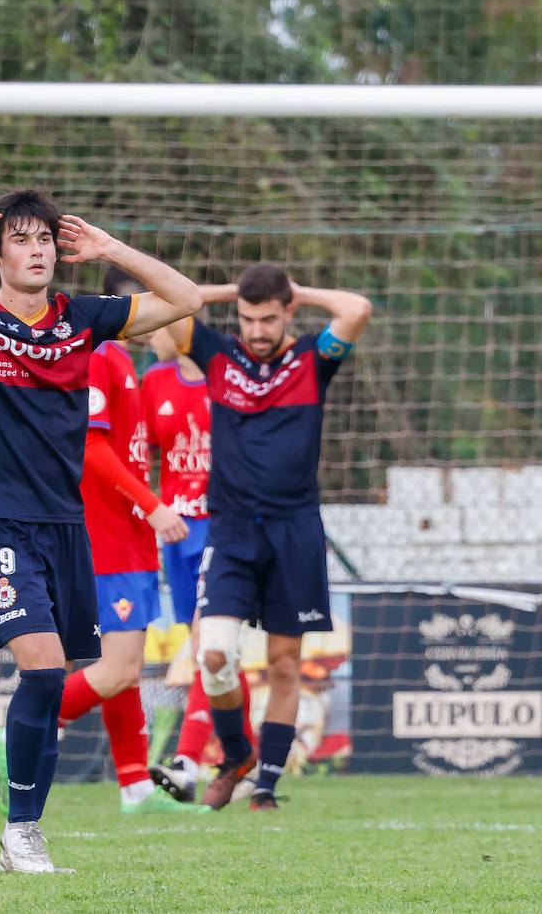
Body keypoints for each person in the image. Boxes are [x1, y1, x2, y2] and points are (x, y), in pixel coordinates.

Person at [0, 190, 200, 873]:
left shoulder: (80, 319)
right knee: (44, 666)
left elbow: (185, 299)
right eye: (21, 241)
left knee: (55, 681)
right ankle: (22, 833)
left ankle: (20, 832)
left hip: (64, 525)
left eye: (46, 241)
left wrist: (112, 249)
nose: (37, 252)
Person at [164, 264, 371, 810]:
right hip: (229, 531)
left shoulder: (312, 359)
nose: (257, 330)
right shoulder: (216, 354)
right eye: (248, 318)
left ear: (288, 314)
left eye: (269, 318)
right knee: (212, 654)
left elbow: (356, 309)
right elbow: (161, 299)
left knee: (284, 665)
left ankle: (266, 788)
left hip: (295, 533)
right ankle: (237, 754)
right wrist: (235, 290)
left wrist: (299, 292)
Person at [51, 265, 204, 815]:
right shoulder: (97, 356)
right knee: (118, 668)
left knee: (125, 672)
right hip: (110, 536)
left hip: (129, 538)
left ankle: (135, 785)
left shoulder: (122, 361)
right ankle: (22, 728)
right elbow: (90, 451)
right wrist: (153, 504)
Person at [142, 308, 254, 803]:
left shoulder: (229, 374)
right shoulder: (153, 380)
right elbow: (137, 455)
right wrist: (149, 511)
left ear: (181, 328)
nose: (147, 336)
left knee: (211, 644)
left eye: (156, 325)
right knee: (207, 648)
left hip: (223, 529)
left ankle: (189, 760)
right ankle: (245, 757)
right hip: (176, 534)